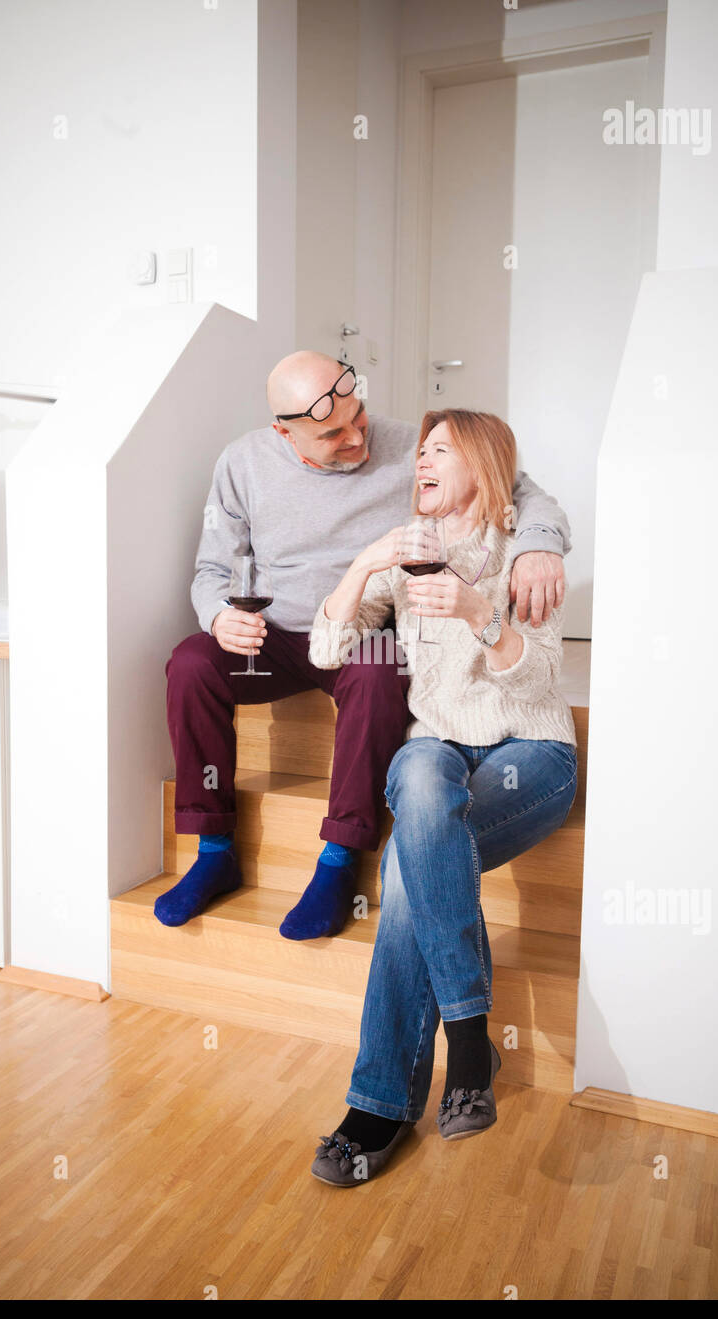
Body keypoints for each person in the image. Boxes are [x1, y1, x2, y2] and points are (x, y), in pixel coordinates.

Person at [156, 352, 571, 942]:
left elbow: (519, 488)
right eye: (333, 434)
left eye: (360, 418)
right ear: (285, 431)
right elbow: (210, 571)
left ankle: (339, 860)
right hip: (276, 633)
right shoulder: (241, 464)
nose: (358, 439)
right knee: (191, 661)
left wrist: (538, 545)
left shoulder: (413, 446)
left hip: (362, 626)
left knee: (379, 669)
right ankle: (214, 847)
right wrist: (218, 616)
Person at [307, 408, 577, 1184]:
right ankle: (467, 1039)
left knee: (402, 871)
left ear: (484, 466)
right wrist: (365, 563)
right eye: (419, 451)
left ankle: (381, 1105)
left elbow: (536, 680)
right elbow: (328, 648)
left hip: (531, 751)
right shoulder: (407, 553)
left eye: (440, 450)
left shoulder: (524, 557)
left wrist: (475, 609)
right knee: (420, 776)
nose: (420, 461)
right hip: (438, 747)